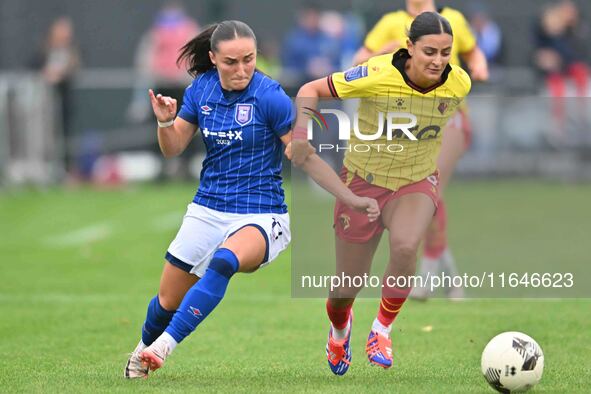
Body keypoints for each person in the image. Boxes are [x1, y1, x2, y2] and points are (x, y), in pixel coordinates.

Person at [123, 20, 379, 379]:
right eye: (231, 62)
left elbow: (302, 154)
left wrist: (349, 197)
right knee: (165, 303)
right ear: (213, 58)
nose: (242, 69)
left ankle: (164, 347)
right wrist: (166, 124)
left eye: (249, 59)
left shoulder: (269, 95)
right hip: (207, 208)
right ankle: (141, 354)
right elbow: (174, 148)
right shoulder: (201, 91)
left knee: (225, 261)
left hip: (261, 214)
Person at [291, 11, 471, 374]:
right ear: (409, 48)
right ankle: (340, 330)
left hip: (416, 182)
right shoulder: (377, 74)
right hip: (362, 182)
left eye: (446, 52)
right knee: (346, 286)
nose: (438, 61)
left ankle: (381, 330)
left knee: (406, 246)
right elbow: (311, 89)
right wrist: (300, 134)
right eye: (430, 52)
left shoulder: (459, 84)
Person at [352, 0, 489, 299]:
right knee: (420, 197)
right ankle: (452, 279)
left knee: (428, 192)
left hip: (449, 119)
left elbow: (472, 50)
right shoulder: (391, 22)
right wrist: (385, 49)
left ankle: (425, 278)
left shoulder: (451, 19)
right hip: (408, 125)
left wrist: (479, 64)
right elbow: (356, 64)